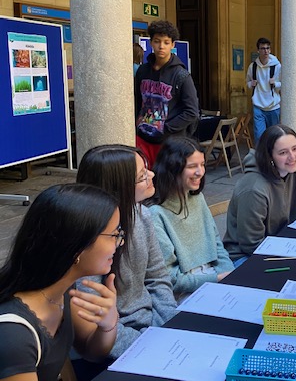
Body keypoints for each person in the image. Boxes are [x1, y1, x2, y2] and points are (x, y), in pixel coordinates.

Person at [0, 184, 120, 381]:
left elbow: (92, 351)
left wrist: (108, 323)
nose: (119, 243)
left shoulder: (61, 289)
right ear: (77, 247)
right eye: (114, 235)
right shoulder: (13, 333)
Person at [75, 145, 177, 363]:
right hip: (114, 344)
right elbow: (93, 319)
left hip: (154, 328)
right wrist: (145, 345)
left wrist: (169, 326)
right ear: (118, 188)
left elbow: (157, 276)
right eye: (142, 176)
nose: (151, 175)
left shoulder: (142, 215)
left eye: (147, 169)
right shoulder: (89, 241)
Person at [224, 124, 296, 266]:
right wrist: (293, 253)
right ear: (269, 156)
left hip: (283, 242)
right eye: (283, 153)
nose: (292, 157)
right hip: (245, 256)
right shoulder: (254, 190)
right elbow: (251, 244)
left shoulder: (292, 170)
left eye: (295, 149)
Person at [147, 137, 234, 300]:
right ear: (172, 169)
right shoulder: (155, 214)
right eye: (192, 166)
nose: (200, 172)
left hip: (215, 277)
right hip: (186, 292)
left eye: (202, 164)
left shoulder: (197, 198)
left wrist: (228, 273)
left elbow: (216, 244)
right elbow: (171, 278)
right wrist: (216, 279)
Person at [134, 20, 200, 168]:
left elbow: (192, 112)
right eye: (157, 41)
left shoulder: (181, 75)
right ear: (151, 42)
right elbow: (137, 101)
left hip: (168, 142)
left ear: (173, 45)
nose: (161, 46)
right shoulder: (142, 71)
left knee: (166, 184)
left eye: (166, 42)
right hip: (142, 139)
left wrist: (165, 128)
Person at [247, 37, 282, 143]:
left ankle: (273, 158)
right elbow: (248, 81)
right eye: (263, 48)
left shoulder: (277, 66)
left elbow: (284, 84)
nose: (266, 51)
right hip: (258, 105)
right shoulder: (253, 66)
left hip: (273, 106)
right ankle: (261, 159)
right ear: (258, 50)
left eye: (268, 48)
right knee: (259, 136)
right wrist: (251, 84)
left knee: (274, 137)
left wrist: (275, 83)